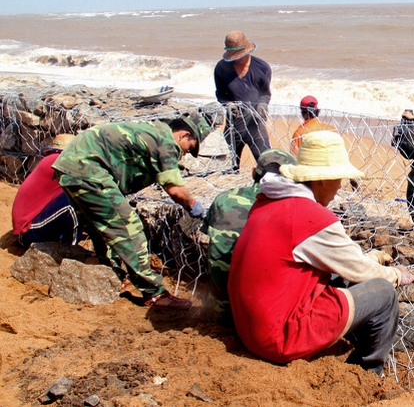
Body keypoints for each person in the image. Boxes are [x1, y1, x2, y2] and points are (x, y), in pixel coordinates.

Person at [228, 130, 414, 376]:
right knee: (383, 292)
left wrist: (373, 257)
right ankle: (369, 374)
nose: (340, 187)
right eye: (339, 179)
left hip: (248, 328)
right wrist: (395, 274)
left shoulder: (268, 201)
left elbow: (342, 260)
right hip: (277, 338)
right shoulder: (311, 218)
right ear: (322, 179)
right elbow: (359, 270)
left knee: (338, 280)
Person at [52, 112, 211, 310]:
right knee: (129, 228)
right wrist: (193, 204)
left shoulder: (152, 130)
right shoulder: (166, 142)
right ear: (183, 135)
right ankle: (154, 294)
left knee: (100, 227)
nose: (186, 154)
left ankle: (111, 276)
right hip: (89, 170)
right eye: (190, 148)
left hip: (71, 166)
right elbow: (175, 189)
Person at [204, 148, 297, 324]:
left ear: (253, 172)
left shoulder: (223, 199)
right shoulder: (288, 209)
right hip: (255, 318)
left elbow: (209, 235)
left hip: (216, 311)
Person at [213, 30, 272, 169]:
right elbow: (220, 94)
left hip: (255, 124)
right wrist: (227, 105)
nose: (238, 58)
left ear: (247, 49)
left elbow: (266, 94)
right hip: (234, 124)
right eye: (234, 55)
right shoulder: (221, 69)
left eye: (240, 54)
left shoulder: (262, 68)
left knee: (267, 165)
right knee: (228, 167)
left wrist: (263, 104)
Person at [12, 134, 82, 247]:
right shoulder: (59, 161)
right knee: (74, 200)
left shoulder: (49, 160)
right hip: (28, 233)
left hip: (27, 230)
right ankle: (72, 250)